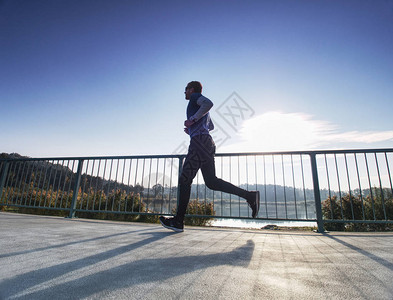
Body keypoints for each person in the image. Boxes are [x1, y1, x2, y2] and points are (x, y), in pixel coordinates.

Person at [159, 81, 260, 232]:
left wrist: (192, 120)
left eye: (186, 90)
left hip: (199, 143)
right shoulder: (200, 107)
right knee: (212, 182)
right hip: (206, 143)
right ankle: (250, 196)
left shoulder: (195, 98)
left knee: (184, 180)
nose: (184, 93)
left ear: (192, 89)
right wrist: (193, 128)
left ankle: (178, 221)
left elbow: (209, 103)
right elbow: (210, 126)